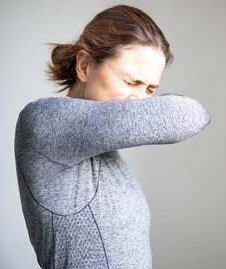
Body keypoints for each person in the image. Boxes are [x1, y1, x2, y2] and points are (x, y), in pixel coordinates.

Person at [14, 4, 211, 269]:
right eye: (131, 82)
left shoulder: (102, 151)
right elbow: (187, 115)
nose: (141, 100)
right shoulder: (43, 120)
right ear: (84, 66)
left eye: (151, 89)